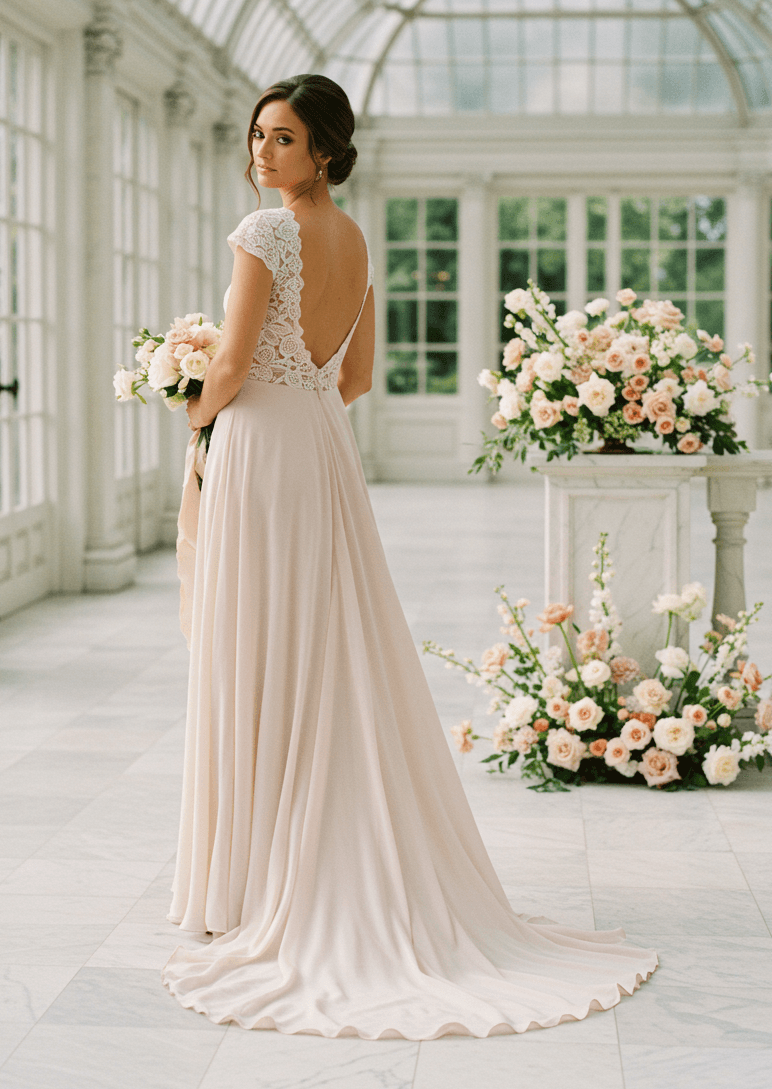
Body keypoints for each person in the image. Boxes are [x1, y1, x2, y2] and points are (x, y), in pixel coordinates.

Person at [162, 74, 657, 1039]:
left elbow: (226, 364)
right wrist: (290, 406)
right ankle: (278, 860)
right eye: (258, 136)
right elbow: (354, 377)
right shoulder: (355, 243)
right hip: (317, 448)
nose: (263, 153)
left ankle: (249, 882)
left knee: (253, 644)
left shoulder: (263, 234)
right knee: (315, 644)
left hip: (265, 448)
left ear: (326, 153)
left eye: (284, 139)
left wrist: (195, 405)